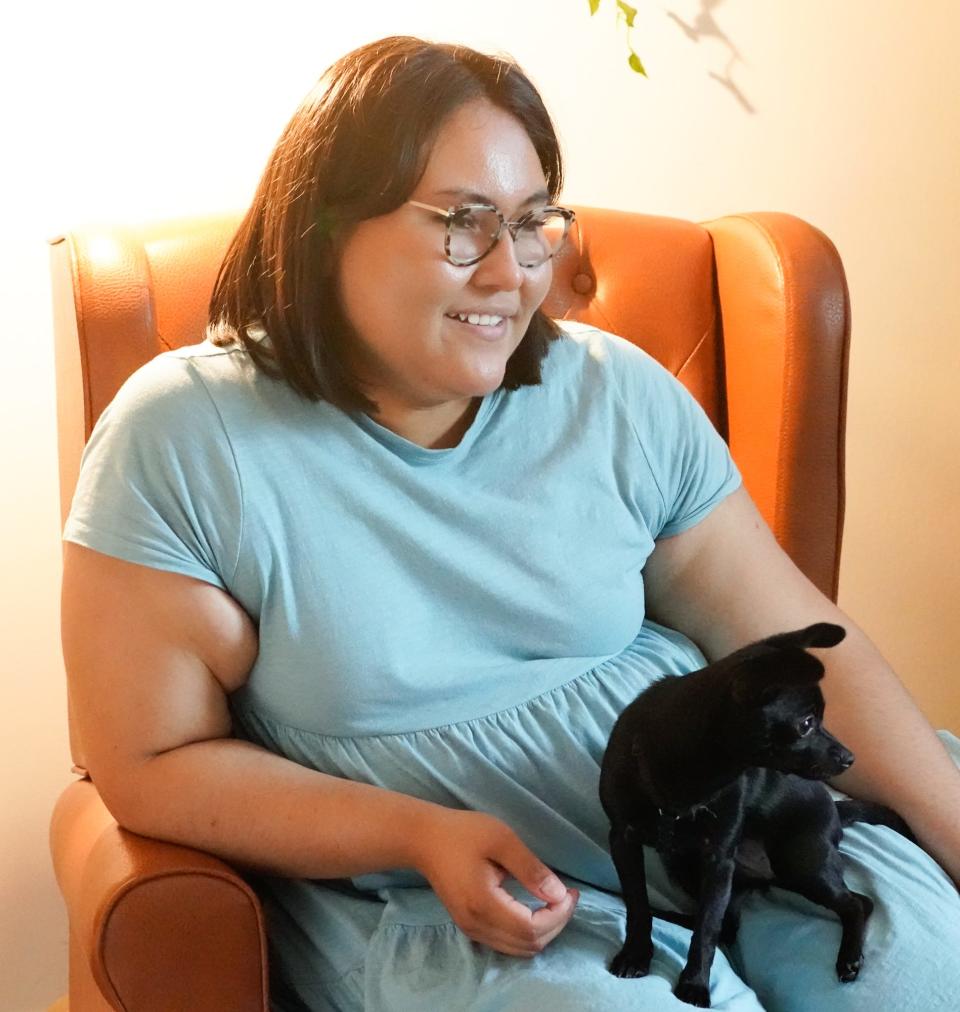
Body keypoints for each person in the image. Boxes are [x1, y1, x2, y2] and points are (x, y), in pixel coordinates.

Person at [61, 35, 960, 1012]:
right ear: (323, 225)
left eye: (533, 223)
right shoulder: (189, 440)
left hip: (741, 828)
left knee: (921, 983)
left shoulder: (618, 396)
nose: (511, 273)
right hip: (464, 904)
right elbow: (149, 765)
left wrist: (952, 821)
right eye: (462, 224)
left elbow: (785, 639)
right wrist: (414, 831)